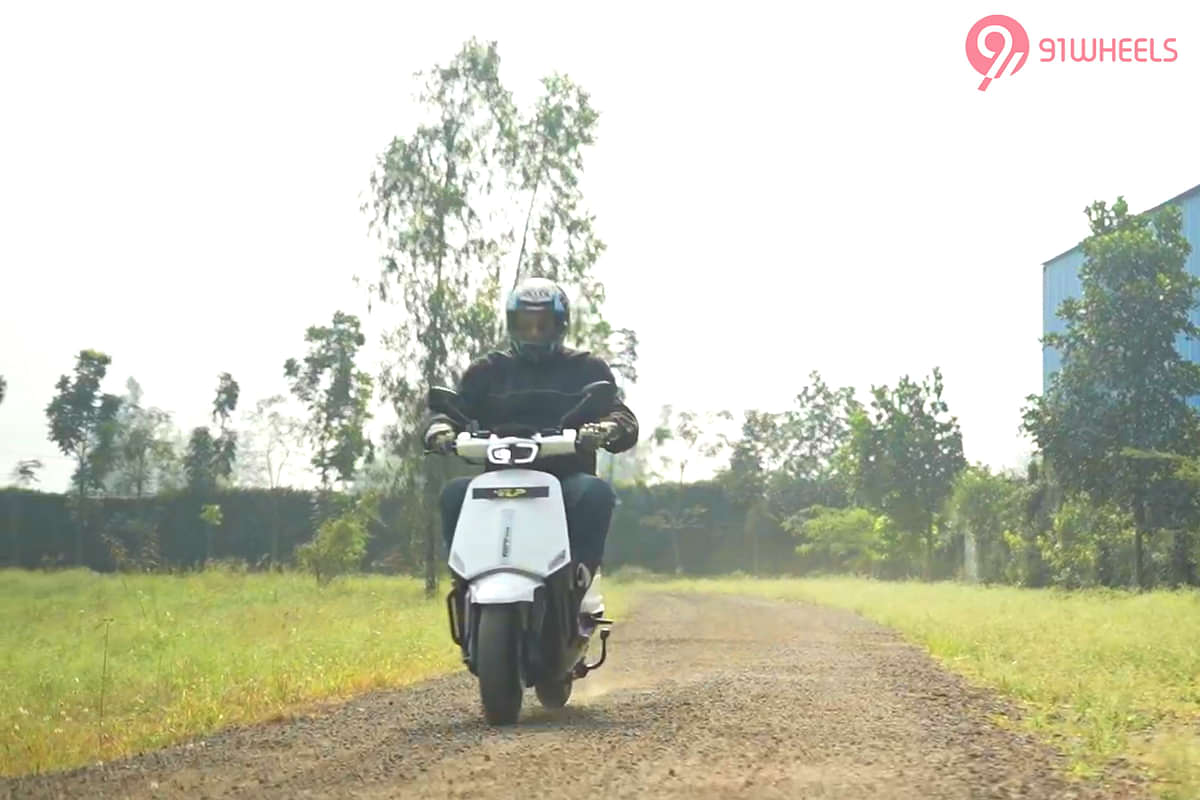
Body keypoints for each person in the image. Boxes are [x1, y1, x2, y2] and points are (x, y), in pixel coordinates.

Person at [421, 277, 639, 587]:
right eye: (526, 325)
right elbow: (453, 410)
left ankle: (580, 576)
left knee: (595, 493)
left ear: (561, 326)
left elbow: (620, 415)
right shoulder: (487, 371)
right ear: (511, 325)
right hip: (497, 482)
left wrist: (606, 429)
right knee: (455, 494)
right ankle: (464, 580)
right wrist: (440, 428)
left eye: (544, 325)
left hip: (565, 483)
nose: (534, 333)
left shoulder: (587, 369)